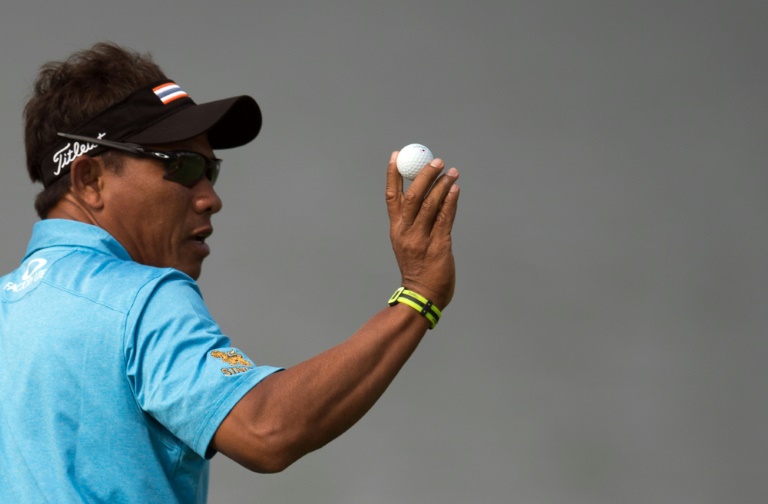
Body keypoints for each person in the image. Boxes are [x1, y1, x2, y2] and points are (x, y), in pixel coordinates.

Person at [0, 42, 460, 503]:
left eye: (211, 171)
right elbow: (266, 429)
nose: (209, 197)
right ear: (90, 180)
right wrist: (418, 297)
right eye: (184, 166)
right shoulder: (143, 300)